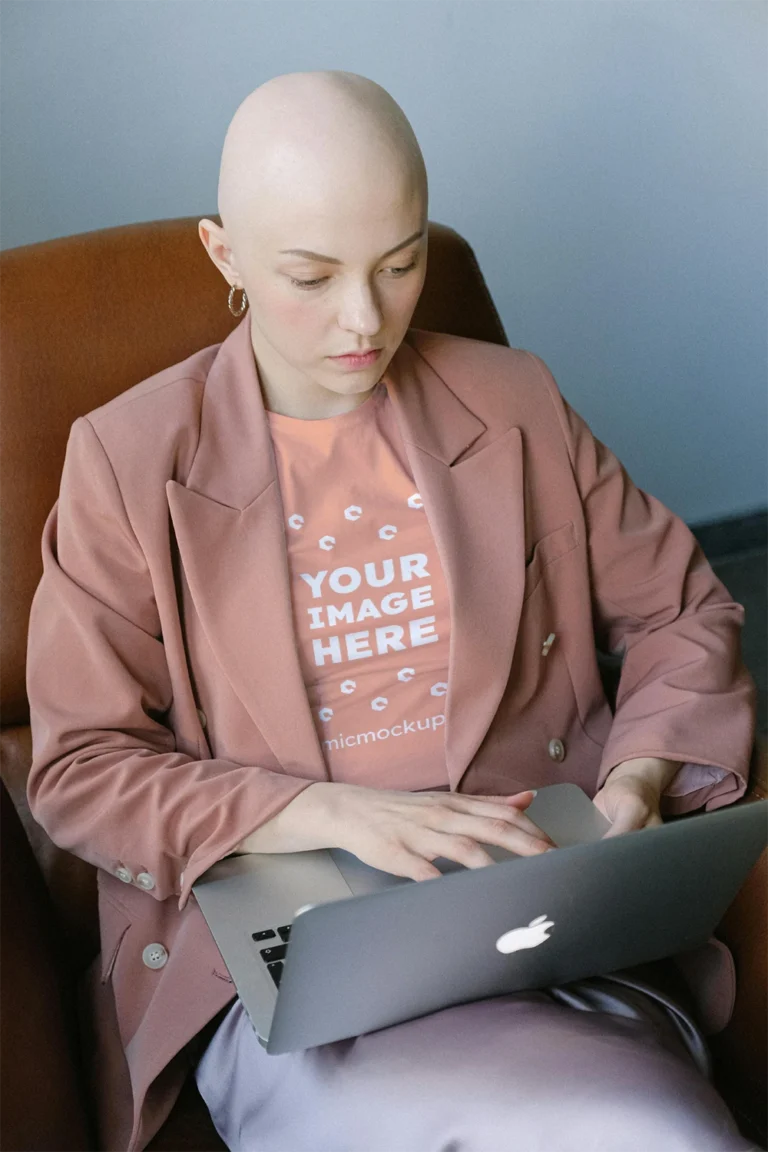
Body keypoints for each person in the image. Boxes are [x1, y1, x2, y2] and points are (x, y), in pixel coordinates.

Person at [25, 70, 758, 1152]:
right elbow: (79, 767)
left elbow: (684, 614)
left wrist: (637, 780)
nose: (364, 320)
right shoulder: (129, 461)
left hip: (540, 920)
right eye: (311, 277)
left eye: (401, 262)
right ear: (224, 255)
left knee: (647, 1130)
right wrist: (333, 813)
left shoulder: (515, 403)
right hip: (295, 960)